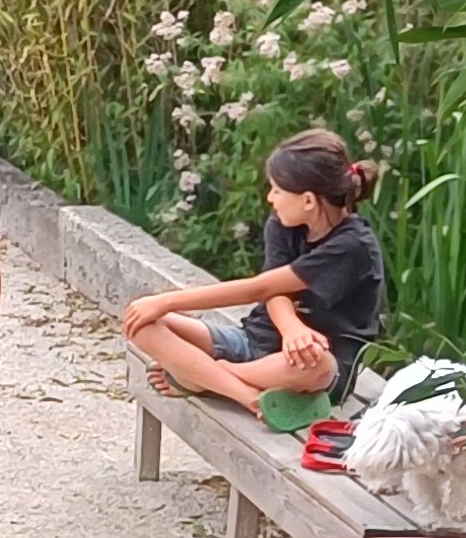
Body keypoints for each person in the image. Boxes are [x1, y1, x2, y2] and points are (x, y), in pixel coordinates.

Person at [117, 130, 387, 416]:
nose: (271, 198)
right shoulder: (284, 223)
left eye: (277, 190)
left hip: (310, 364)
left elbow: (257, 288)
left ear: (308, 201)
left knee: (315, 363)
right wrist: (290, 327)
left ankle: (207, 377)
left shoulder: (353, 247)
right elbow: (273, 290)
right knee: (140, 321)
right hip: (253, 342)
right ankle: (244, 394)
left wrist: (168, 300)